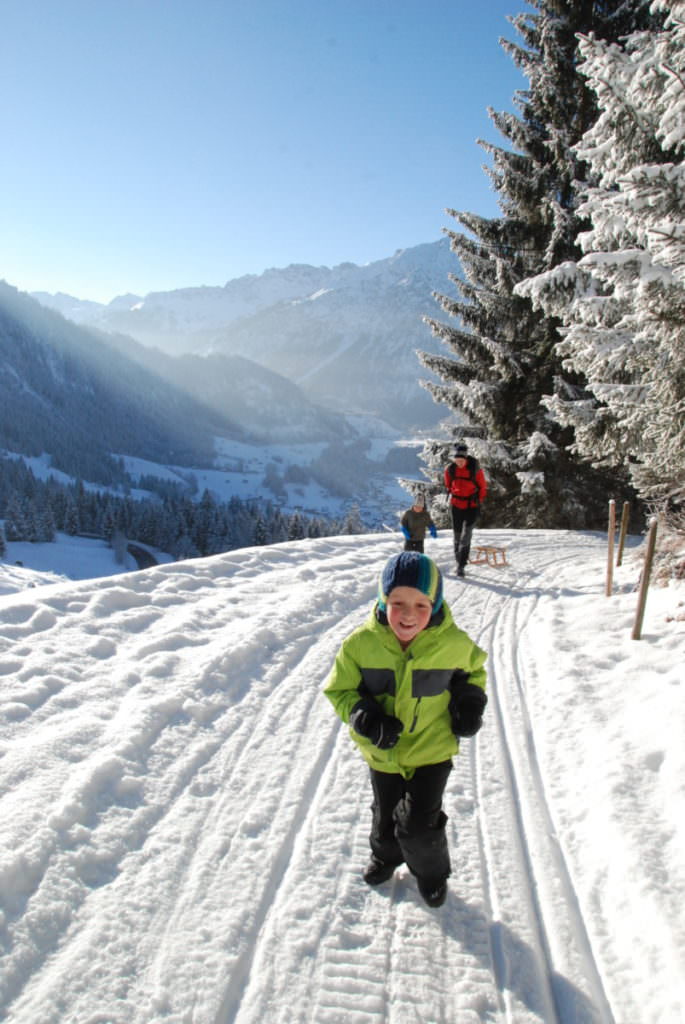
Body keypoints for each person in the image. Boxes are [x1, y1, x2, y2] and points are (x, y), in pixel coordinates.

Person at [323, 551, 487, 908]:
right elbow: (340, 690)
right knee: (385, 816)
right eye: (397, 603)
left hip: (432, 750)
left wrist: (469, 700)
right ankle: (385, 856)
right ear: (383, 600)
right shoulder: (360, 645)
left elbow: (473, 672)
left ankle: (431, 874)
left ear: (436, 604)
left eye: (421, 605)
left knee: (418, 824)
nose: (409, 615)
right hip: (383, 752)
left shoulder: (452, 643)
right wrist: (363, 715)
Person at [444, 443, 487, 577]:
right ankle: (459, 559)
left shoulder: (475, 470)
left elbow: (483, 487)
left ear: (466, 459)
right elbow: (448, 485)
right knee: (457, 535)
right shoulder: (450, 470)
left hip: (471, 507)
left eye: (461, 461)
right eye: (457, 461)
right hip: (456, 505)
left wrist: (478, 501)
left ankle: (461, 565)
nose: (459, 463)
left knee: (466, 535)